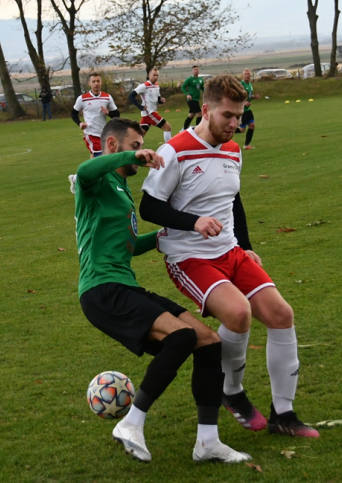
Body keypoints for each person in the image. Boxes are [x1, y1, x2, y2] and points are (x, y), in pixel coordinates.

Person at [139, 74, 319, 439]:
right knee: (238, 313)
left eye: (239, 116)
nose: (234, 124)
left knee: (282, 314)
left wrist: (246, 244)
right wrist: (193, 222)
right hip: (189, 257)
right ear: (205, 110)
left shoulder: (233, 149)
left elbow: (232, 200)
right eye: (227, 116)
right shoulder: (177, 149)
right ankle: (231, 391)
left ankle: (284, 413)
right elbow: (148, 207)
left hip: (231, 251)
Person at [75, 118, 251, 464]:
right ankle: (131, 423)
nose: (140, 151)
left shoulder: (121, 189)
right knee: (182, 337)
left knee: (207, 342)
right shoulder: (94, 182)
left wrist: (160, 238)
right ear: (111, 146)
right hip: (102, 290)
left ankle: (208, 441)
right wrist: (137, 157)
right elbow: (84, 169)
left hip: (123, 284)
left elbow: (123, 246)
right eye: (133, 145)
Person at [72, 73, 120, 158]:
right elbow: (73, 113)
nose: (96, 83)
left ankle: (88, 171)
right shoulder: (82, 98)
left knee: (96, 157)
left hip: (104, 133)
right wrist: (79, 123)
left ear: (101, 83)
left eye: (98, 81)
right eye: (93, 81)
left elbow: (117, 115)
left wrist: (108, 113)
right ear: (89, 83)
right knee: (100, 155)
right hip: (90, 133)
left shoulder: (107, 97)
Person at [128, 68, 172, 142]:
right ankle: (170, 148)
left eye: (157, 75)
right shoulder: (144, 86)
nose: (156, 77)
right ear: (149, 75)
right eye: (154, 75)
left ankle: (129, 148)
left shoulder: (157, 86)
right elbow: (131, 96)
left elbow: (158, 99)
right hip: (150, 113)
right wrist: (140, 107)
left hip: (148, 114)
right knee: (167, 128)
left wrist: (161, 101)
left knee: (139, 136)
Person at [236, 69, 260, 150]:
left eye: (248, 74)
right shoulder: (240, 85)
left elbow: (249, 97)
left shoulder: (250, 85)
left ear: (250, 75)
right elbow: (237, 98)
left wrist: (254, 97)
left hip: (248, 110)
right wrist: (244, 103)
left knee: (252, 126)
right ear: (243, 75)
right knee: (242, 130)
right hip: (242, 111)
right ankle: (225, 132)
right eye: (245, 74)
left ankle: (246, 145)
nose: (247, 75)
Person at [180, 65, 204, 131]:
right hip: (191, 99)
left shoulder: (200, 79)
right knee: (199, 114)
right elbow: (183, 87)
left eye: (197, 69)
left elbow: (202, 88)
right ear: (192, 71)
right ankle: (198, 130)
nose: (196, 71)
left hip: (197, 99)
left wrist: (207, 93)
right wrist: (187, 94)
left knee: (191, 115)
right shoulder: (189, 79)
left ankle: (183, 129)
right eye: (194, 70)